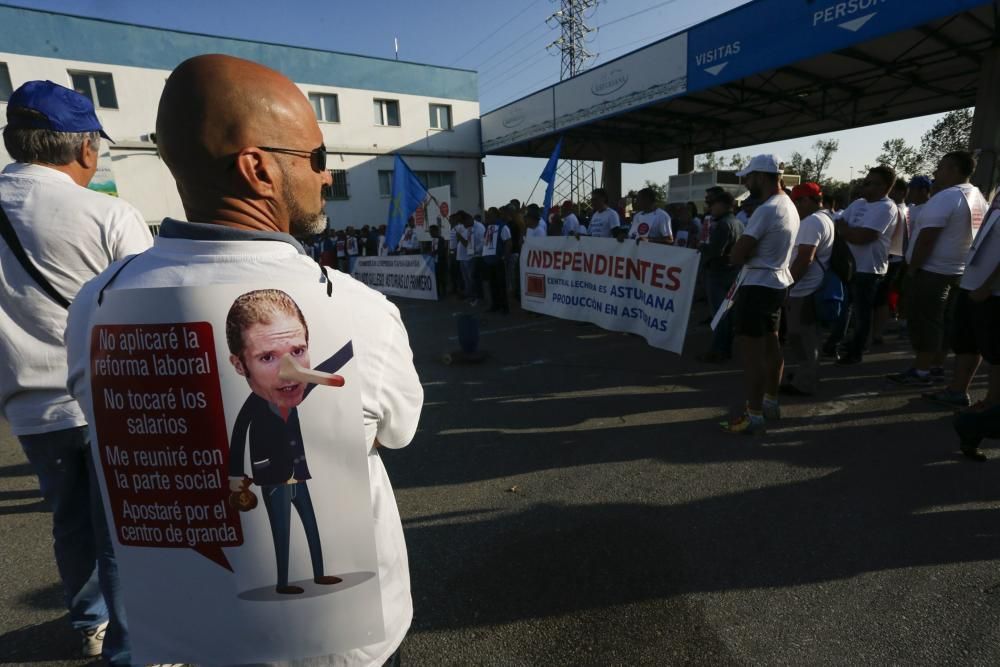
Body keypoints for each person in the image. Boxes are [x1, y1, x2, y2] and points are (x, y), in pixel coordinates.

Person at [65, 54, 423, 666]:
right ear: (258, 169)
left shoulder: (96, 304)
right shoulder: (362, 310)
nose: (327, 176)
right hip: (345, 644)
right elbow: (399, 433)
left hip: (193, 637)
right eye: (316, 157)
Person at [0, 81, 154, 664]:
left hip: (28, 407)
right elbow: (147, 317)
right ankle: (132, 646)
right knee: (119, 530)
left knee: (69, 522)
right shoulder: (109, 214)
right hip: (106, 401)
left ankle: (90, 622)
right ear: (85, 148)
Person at [226, 289, 349, 595]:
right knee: (281, 532)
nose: (289, 370)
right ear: (240, 366)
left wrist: (353, 344)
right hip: (272, 479)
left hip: (298, 474)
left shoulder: (298, 386)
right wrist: (234, 477)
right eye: (267, 357)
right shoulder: (254, 404)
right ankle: (283, 582)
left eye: (297, 351)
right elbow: (238, 437)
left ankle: (319, 574)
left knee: (311, 526)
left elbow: (331, 364)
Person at [889, 152, 987, 395]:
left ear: (953, 170)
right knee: (943, 321)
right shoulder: (977, 196)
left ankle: (921, 370)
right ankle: (935, 366)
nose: (936, 173)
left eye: (941, 167)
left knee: (925, 321)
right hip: (960, 271)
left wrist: (913, 269)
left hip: (934, 271)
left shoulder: (947, 197)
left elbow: (927, 238)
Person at [722, 154, 799, 434]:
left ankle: (753, 414)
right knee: (772, 346)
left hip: (757, 285)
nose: (745, 181)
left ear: (762, 176)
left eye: (748, 176)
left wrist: (740, 252)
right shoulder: (788, 205)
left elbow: (737, 254)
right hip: (777, 283)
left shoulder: (766, 209)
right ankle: (770, 402)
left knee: (752, 354)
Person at [829, 166, 900, 365]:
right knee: (844, 309)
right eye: (865, 181)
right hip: (848, 266)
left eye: (870, 183)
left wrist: (846, 230)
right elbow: (839, 224)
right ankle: (837, 344)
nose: (864, 186)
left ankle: (855, 351)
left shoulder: (887, 207)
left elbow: (863, 237)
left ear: (883, 186)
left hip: (868, 269)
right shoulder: (859, 203)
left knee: (861, 313)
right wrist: (847, 230)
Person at [949, 189, 1000, 460]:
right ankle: (976, 422)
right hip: (984, 290)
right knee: (983, 350)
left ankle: (980, 418)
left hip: (990, 292)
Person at [781, 182, 834, 396]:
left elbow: (805, 258)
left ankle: (805, 381)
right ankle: (806, 373)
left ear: (809, 200)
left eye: (798, 201)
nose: (795, 206)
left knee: (802, 336)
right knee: (806, 335)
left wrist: (787, 285)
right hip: (809, 287)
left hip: (804, 289)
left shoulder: (812, 222)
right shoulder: (825, 218)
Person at [697, 190, 743, 363]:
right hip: (733, 272)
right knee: (728, 313)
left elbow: (715, 251)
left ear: (723, 205)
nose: (710, 208)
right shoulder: (738, 223)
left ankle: (718, 350)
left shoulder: (723, 225)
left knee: (719, 314)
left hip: (718, 273)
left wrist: (701, 248)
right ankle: (725, 348)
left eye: (712, 204)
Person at [871, 178, 910, 344]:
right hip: (895, 259)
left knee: (881, 299)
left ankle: (877, 333)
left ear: (900, 192)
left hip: (892, 259)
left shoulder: (899, 210)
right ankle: (876, 332)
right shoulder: (904, 209)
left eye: (892, 189)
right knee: (882, 298)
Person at [482, 207, 512, 313]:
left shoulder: (503, 227)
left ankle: (504, 307)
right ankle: (495, 304)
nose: (487, 217)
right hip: (489, 260)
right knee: (492, 284)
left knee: (501, 284)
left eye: (490, 215)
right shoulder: (489, 227)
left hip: (499, 260)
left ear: (495, 215)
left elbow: (508, 242)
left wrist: (505, 257)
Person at [429, 223, 449, 298]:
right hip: (434, 261)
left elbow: (442, 250)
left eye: (431, 231)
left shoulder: (441, 239)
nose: (430, 233)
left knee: (442, 277)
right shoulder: (433, 240)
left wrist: (435, 252)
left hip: (441, 261)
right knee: (436, 278)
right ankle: (437, 292)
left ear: (436, 231)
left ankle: (444, 292)